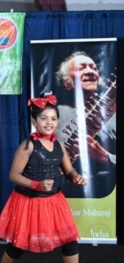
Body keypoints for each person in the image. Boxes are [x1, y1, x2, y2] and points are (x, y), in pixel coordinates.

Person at [0, 94, 88, 263]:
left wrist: (76, 177)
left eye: (53, 118)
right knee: (17, 245)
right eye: (43, 118)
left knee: (70, 242)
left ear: (58, 121)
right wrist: (36, 184)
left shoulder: (60, 145)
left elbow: (68, 171)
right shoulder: (28, 145)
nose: (49, 122)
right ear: (35, 122)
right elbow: (13, 175)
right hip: (28, 202)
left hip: (54, 201)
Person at [54, 51, 116, 198]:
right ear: (67, 83)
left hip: (106, 198)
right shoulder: (53, 116)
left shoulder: (115, 117)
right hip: (62, 195)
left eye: (93, 68)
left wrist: (105, 157)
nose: (90, 71)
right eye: (81, 68)